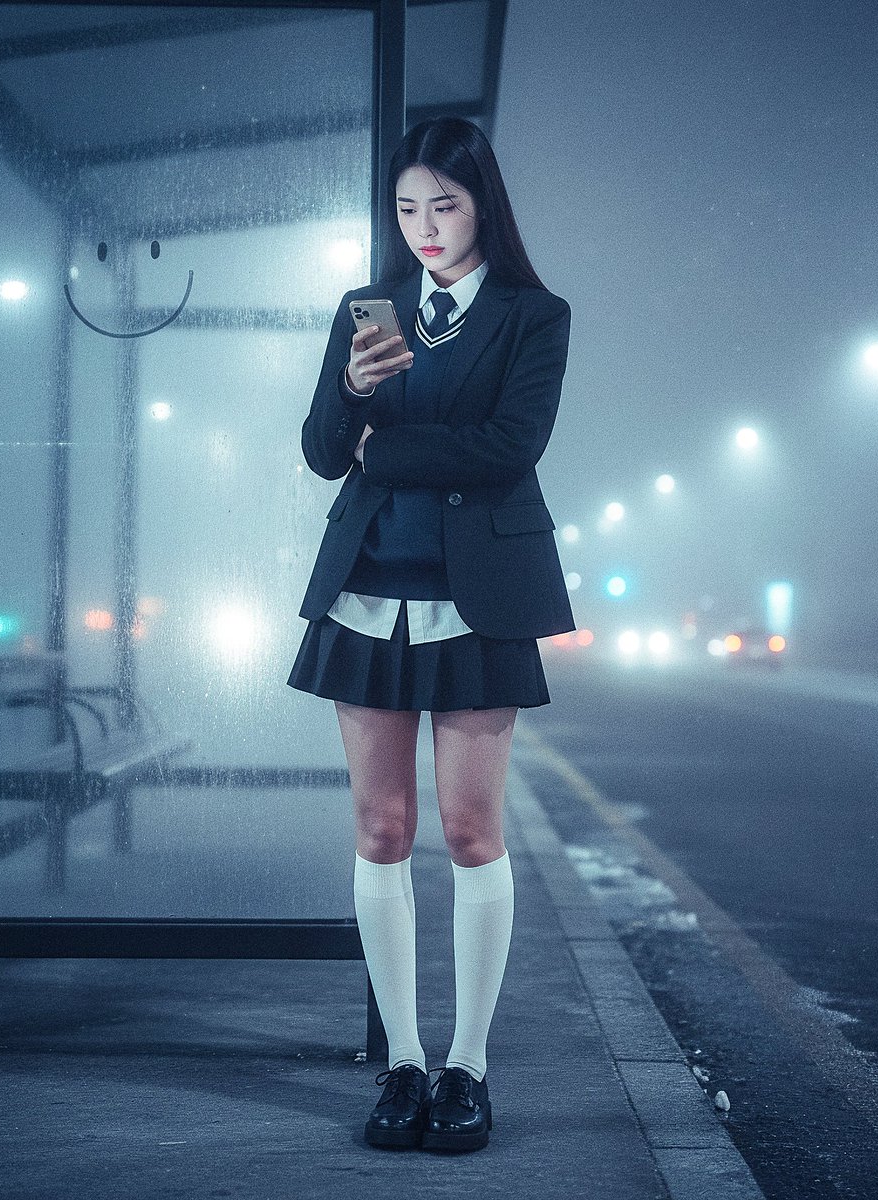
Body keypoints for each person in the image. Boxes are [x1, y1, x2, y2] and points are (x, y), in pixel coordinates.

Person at [286, 115, 574, 1152]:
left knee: (469, 831)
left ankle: (469, 1067)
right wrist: (355, 394)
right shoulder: (368, 311)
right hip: (369, 589)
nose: (425, 226)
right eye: (408, 208)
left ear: (482, 203)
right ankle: (405, 1064)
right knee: (380, 830)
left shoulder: (534, 316)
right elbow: (324, 453)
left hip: (478, 597)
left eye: (444, 205)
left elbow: (509, 448)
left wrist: (388, 447)